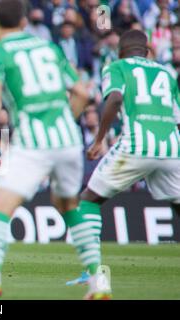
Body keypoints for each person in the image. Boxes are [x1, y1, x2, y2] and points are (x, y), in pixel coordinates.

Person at [0, 0, 89, 300]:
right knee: (69, 206)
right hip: (69, 140)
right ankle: (99, 279)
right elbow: (82, 92)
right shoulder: (49, 47)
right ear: (25, 21)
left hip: (33, 141)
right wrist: (65, 120)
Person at [73, 29, 180, 299]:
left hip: (136, 145)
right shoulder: (167, 73)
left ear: (121, 50)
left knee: (87, 200)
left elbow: (116, 98)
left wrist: (99, 139)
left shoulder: (117, 66)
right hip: (171, 147)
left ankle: (97, 278)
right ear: (147, 51)